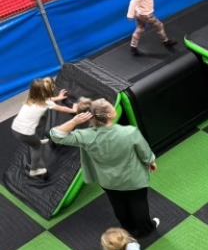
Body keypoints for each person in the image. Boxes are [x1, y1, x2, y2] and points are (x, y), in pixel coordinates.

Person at [50, 99, 160, 237]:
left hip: (107, 180)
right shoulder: (129, 132)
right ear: (110, 115)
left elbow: (56, 135)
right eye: (110, 106)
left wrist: (74, 121)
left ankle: (128, 227)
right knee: (139, 202)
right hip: (133, 178)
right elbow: (144, 152)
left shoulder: (86, 136)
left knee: (118, 204)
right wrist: (151, 162)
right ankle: (146, 229)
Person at [11, 77, 77, 177]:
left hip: (15, 128)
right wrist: (73, 110)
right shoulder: (46, 103)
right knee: (37, 148)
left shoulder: (31, 97)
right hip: (25, 133)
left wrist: (58, 98)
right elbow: (63, 109)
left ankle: (36, 140)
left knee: (37, 129)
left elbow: (45, 99)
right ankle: (34, 170)